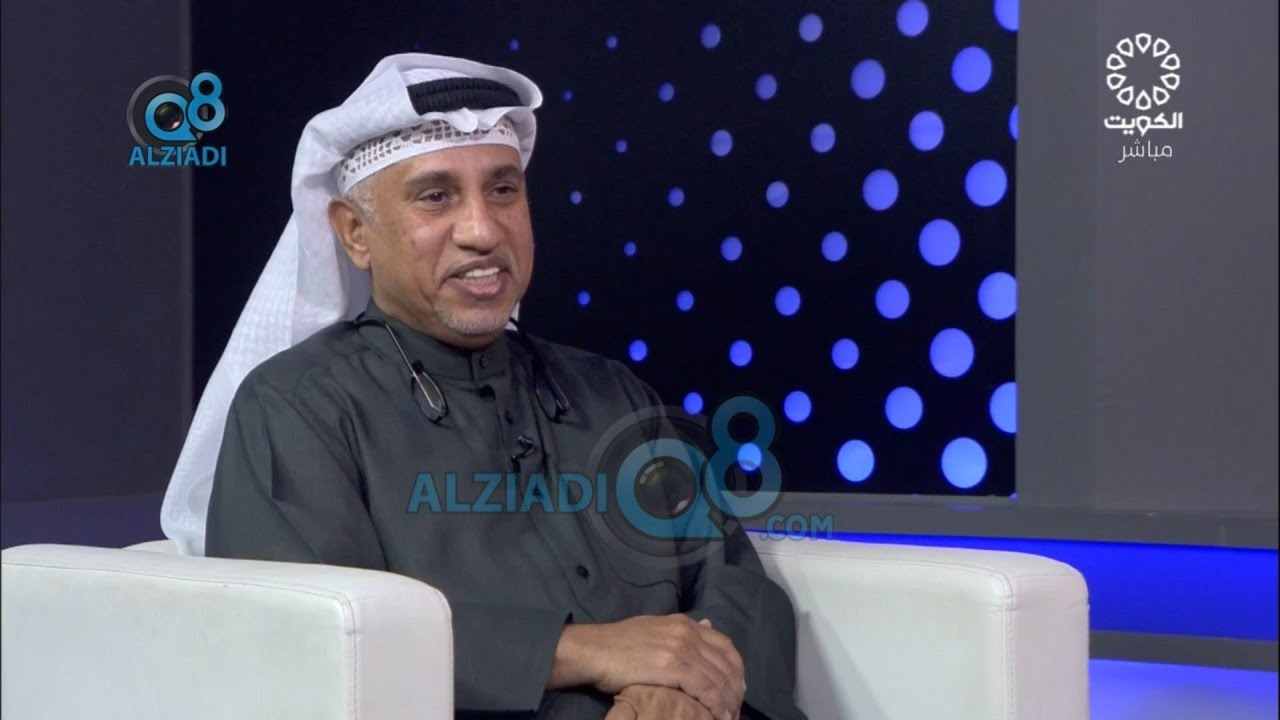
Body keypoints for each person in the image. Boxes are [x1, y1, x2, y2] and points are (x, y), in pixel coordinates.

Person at [162, 53, 807, 720]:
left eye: (503, 190)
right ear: (356, 235)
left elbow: (733, 575)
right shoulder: (297, 409)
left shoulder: (610, 391)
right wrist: (585, 651)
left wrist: (681, 687)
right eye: (436, 196)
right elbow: (316, 634)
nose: (482, 230)